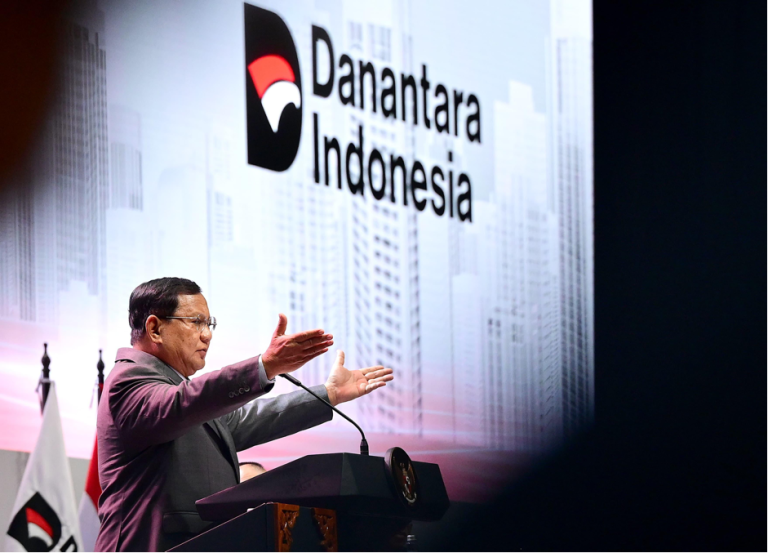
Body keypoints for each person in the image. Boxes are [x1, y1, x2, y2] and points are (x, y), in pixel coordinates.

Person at [95, 277, 393, 552]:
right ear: (155, 329)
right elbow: (180, 403)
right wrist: (264, 367)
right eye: (196, 322)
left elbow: (248, 419)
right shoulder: (128, 379)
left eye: (210, 323)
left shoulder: (181, 393)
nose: (207, 335)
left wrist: (329, 394)